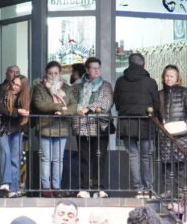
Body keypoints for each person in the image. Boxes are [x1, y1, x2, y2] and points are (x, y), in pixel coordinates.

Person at [114, 53, 160, 198]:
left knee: (133, 155)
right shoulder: (150, 82)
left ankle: (138, 188)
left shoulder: (120, 81)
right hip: (145, 123)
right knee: (146, 156)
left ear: (129, 64)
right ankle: (149, 188)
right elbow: (157, 104)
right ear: (143, 64)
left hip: (126, 123)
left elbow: (117, 102)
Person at [32, 61, 77, 197]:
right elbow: (40, 104)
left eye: (56, 73)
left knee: (58, 159)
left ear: (60, 73)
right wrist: (58, 107)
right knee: (46, 159)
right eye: (50, 73)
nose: (53, 75)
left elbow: (74, 105)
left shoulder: (67, 88)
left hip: (62, 127)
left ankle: (56, 187)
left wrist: (63, 112)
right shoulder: (40, 87)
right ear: (46, 73)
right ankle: (46, 187)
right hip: (46, 126)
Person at [72, 57, 114, 199]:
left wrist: (87, 108)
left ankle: (99, 188)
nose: (96, 70)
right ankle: (84, 188)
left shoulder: (105, 85)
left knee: (99, 158)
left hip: (100, 126)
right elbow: (72, 102)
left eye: (98, 68)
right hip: (82, 126)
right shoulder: (78, 85)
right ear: (87, 69)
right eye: (93, 68)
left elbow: (106, 103)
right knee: (84, 158)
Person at [158, 64, 187, 198]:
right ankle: (168, 190)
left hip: (182, 135)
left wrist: (186, 124)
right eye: (166, 76)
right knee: (166, 164)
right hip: (165, 135)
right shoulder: (160, 94)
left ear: (177, 78)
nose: (168, 78)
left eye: (171, 76)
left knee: (181, 165)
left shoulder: (184, 92)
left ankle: (181, 191)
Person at [0, 74, 30, 197]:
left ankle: (13, 189)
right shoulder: (3, 91)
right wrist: (17, 112)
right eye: (13, 83)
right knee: (5, 153)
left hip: (17, 129)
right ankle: (5, 183)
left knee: (15, 159)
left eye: (17, 85)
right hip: (2, 128)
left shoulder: (25, 98)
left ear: (23, 88)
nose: (14, 86)